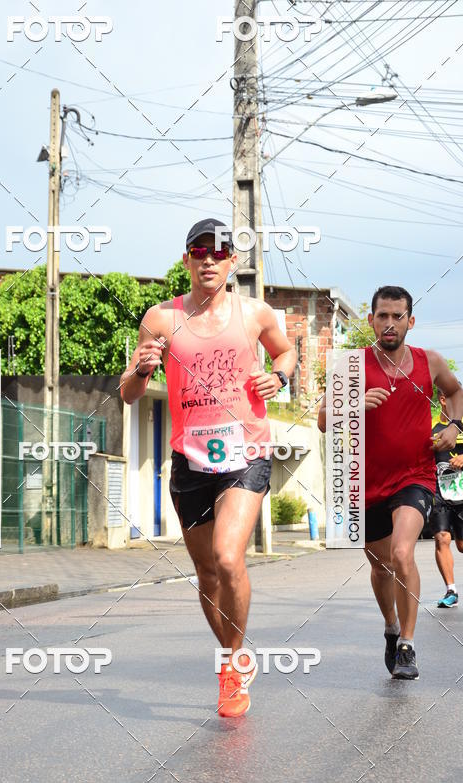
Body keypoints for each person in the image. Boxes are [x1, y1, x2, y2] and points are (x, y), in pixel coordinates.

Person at [120, 218, 296, 717]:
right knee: (205, 573)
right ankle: (229, 656)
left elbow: (286, 355)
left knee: (225, 557)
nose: (209, 260)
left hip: (247, 453)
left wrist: (277, 379)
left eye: (219, 252)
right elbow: (128, 395)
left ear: (232, 261)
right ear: (187, 260)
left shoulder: (256, 312)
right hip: (191, 461)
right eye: (200, 251)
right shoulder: (160, 319)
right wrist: (141, 368)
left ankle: (236, 662)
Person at [318, 286, 463, 680]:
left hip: (414, 478)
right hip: (362, 483)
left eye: (398, 316)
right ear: (371, 321)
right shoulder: (350, 366)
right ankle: (391, 627)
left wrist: (454, 425)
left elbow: (455, 392)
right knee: (382, 568)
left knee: (403, 553)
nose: (389, 323)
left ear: (410, 322)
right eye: (382, 315)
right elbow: (321, 420)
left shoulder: (429, 362)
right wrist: (353, 403)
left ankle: (407, 647)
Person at [430, 388, 463, 608]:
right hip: (438, 492)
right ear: (442, 400)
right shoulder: (430, 426)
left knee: (461, 545)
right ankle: (451, 590)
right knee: (442, 538)